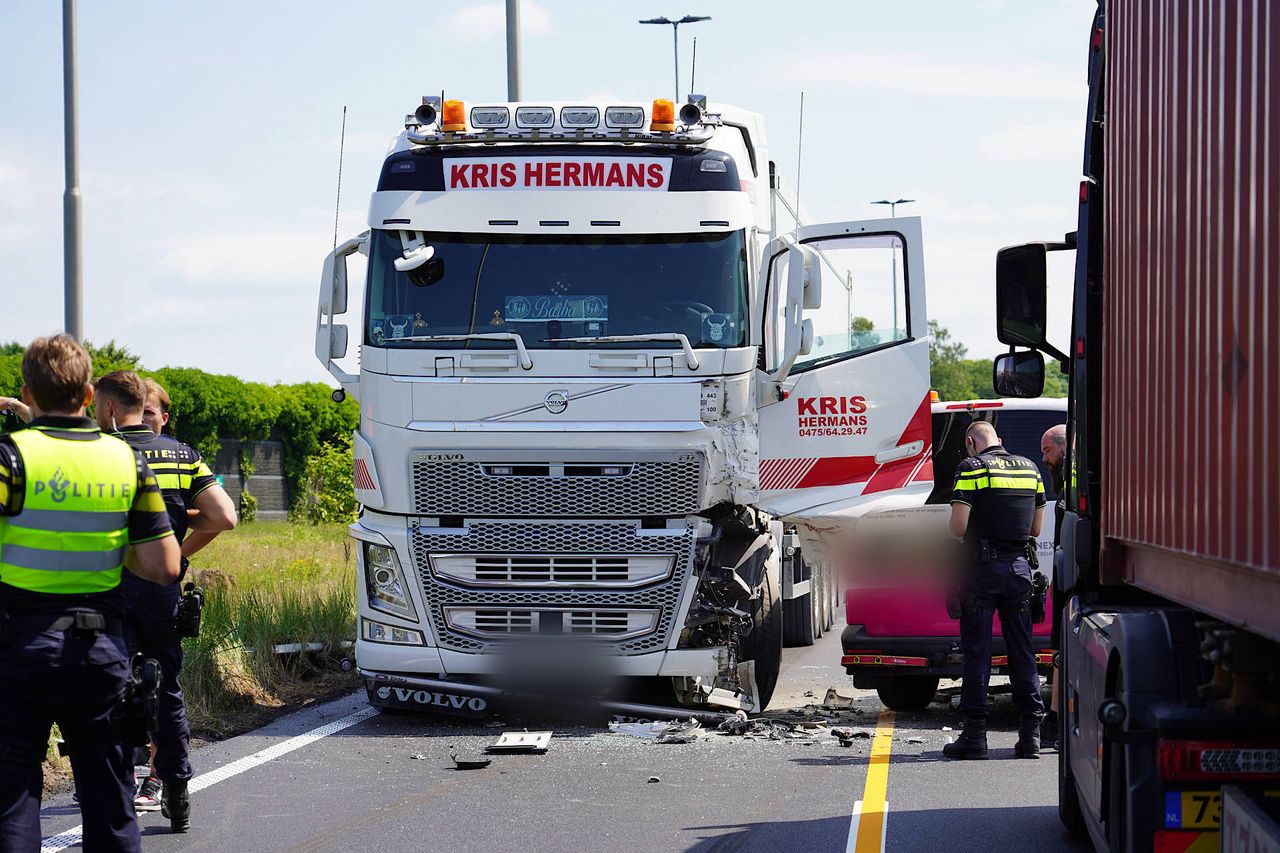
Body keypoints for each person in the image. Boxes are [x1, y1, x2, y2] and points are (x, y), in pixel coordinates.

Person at [0, 335, 180, 852]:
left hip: (20, 648)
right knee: (110, 802)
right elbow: (165, 566)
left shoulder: (10, 457)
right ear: (86, 396)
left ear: (27, 393)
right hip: (100, 650)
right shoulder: (126, 462)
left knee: (13, 797)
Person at [93, 371, 237, 831]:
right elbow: (224, 516)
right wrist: (177, 544)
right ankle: (176, 789)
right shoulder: (182, 455)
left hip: (110, 587)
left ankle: (115, 788)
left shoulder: (98, 452)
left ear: (109, 408)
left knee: (106, 687)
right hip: (161, 590)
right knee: (167, 689)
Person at [942, 420, 1046, 760]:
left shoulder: (971, 468)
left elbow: (958, 527)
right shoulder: (1030, 469)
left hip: (982, 572)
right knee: (1022, 651)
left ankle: (975, 736)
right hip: (1019, 571)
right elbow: (1035, 528)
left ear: (971, 443)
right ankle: (1030, 736)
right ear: (999, 440)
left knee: (978, 653)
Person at [1039, 423, 1068, 751]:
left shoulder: (1071, 491)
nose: (1045, 459)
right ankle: (1056, 718)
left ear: (1063, 446)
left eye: (1048, 451)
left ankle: (1057, 720)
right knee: (1058, 650)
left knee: (1061, 652)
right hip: (1064, 579)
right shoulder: (1065, 492)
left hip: (1072, 583)